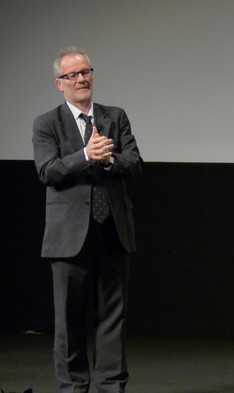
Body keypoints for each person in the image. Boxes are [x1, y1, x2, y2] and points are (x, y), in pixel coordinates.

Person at [32, 47, 142, 393]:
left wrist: (108, 161)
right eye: (72, 75)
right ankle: (73, 387)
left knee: (113, 316)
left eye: (86, 72)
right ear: (58, 84)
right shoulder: (48, 123)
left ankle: (111, 385)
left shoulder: (115, 116)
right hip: (68, 236)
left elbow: (135, 163)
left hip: (112, 230)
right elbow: (48, 171)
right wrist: (84, 156)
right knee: (69, 319)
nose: (81, 79)